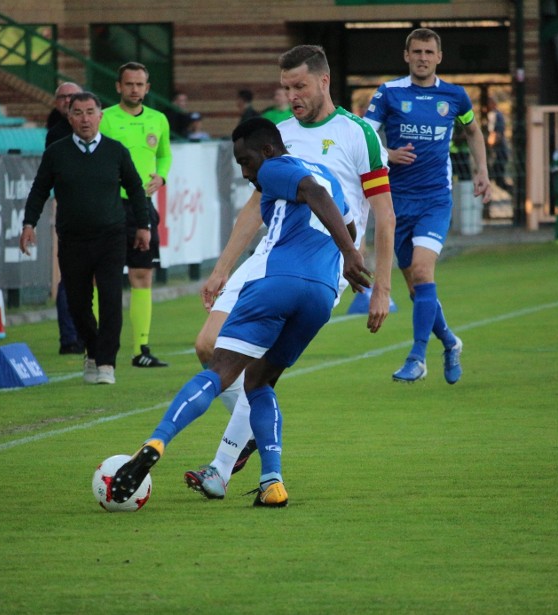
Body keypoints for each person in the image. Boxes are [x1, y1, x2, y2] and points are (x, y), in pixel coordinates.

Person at [109, 117, 373, 508]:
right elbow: (346, 224)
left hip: (276, 282)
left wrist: (350, 254)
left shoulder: (281, 167)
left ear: (267, 150)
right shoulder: (330, 176)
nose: (247, 173)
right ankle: (272, 481)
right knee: (260, 383)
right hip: (319, 295)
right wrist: (347, 257)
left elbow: (312, 192)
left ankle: (156, 441)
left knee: (218, 369)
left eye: (247, 161)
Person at [184, 44, 395, 500]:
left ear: (324, 81)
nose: (292, 95)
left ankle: (221, 466)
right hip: (270, 255)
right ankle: (253, 431)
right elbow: (256, 206)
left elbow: (385, 213)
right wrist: (223, 269)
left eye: (299, 86)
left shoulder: (359, 134)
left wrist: (380, 287)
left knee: (260, 369)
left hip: (323, 262)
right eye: (285, 88)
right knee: (206, 345)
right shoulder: (277, 134)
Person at [363, 27, 491, 384]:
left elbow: (473, 130)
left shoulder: (454, 96)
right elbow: (365, 132)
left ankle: (417, 356)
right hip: (394, 203)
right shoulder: (389, 92)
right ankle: (450, 342)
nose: (422, 58)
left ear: (439, 57)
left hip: (435, 198)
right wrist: (386, 153)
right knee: (418, 289)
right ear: (407, 56)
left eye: (428, 52)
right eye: (416, 52)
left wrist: (483, 171)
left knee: (422, 273)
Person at [20, 92, 151, 385]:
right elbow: (39, 190)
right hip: (72, 238)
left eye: (90, 112)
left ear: (101, 115)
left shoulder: (116, 151)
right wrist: (29, 223)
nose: (85, 119)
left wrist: (143, 225)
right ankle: (92, 349)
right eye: (78, 113)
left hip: (111, 236)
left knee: (110, 299)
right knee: (77, 303)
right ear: (69, 118)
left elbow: (135, 188)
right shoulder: (56, 152)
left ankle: (106, 363)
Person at [99, 61, 172, 368]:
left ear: (147, 88)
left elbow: (164, 154)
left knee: (142, 276)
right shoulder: (105, 119)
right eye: (129, 84)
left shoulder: (159, 120)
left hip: (142, 207)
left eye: (139, 84)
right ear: (119, 86)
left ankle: (141, 347)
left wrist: (162, 177)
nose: (134, 89)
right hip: (111, 206)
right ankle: (97, 346)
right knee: (102, 277)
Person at [44, 82, 86, 356]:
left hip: (96, 210)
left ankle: (82, 334)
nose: (68, 101)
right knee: (71, 276)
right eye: (63, 97)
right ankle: (70, 337)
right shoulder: (58, 134)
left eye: (73, 97)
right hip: (71, 211)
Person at [487, 96, 513, 195]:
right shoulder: (495, 115)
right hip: (498, 153)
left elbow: (495, 135)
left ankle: (515, 193)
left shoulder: (495, 115)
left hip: (498, 153)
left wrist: (485, 143)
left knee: (494, 178)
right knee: (497, 180)